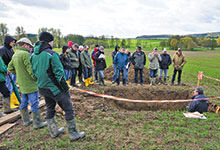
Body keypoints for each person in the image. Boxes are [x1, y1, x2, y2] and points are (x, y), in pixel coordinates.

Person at [30, 31, 85, 140]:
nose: (53, 43)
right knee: (68, 108)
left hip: (42, 87)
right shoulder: (52, 54)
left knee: (50, 108)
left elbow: (33, 73)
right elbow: (59, 75)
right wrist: (65, 88)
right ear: (48, 42)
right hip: (55, 89)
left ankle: (54, 131)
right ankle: (73, 133)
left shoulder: (32, 56)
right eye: (52, 41)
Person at [8, 38, 47, 128]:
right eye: (29, 46)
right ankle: (37, 123)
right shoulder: (26, 54)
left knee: (24, 102)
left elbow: (10, 68)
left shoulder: (15, 54)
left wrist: (19, 74)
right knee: (34, 103)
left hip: (22, 84)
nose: (30, 48)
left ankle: (26, 121)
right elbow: (31, 70)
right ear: (25, 45)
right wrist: (36, 79)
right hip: (30, 84)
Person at [0, 35, 17, 113]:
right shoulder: (2, 49)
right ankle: (8, 107)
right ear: (8, 42)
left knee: (12, 87)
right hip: (5, 72)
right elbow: (1, 63)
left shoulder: (11, 50)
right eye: (12, 42)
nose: (13, 43)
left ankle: (13, 103)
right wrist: (5, 70)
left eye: (14, 42)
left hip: (12, 71)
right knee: (8, 88)